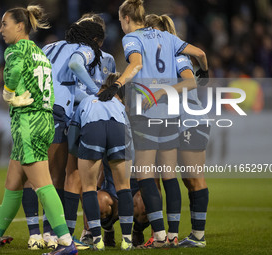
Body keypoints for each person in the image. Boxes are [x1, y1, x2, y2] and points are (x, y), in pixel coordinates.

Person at [0, 5, 77, 255]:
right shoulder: (39, 52)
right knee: (13, 184)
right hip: (44, 120)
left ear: (20, 26)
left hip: (28, 123)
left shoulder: (15, 50)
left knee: (44, 186)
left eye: (5, 24)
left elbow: (12, 78)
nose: (1, 28)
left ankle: (67, 243)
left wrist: (8, 94)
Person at [98, 0, 208, 248]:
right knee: (170, 176)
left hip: (146, 112)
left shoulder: (132, 38)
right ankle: (174, 235)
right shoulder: (168, 39)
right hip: (170, 115)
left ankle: (159, 236)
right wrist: (206, 71)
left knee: (146, 175)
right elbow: (200, 54)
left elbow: (136, 65)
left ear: (126, 18)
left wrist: (117, 85)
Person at [19, 17, 104, 249]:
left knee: (31, 172)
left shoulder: (49, 46)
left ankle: (34, 234)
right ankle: (49, 233)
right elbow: (75, 67)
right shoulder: (84, 49)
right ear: (94, 40)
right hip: (54, 111)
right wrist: (98, 92)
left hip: (31, 107)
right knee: (53, 175)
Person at [145, 14, 210, 248]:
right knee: (183, 180)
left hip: (190, 119)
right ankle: (184, 235)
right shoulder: (158, 57)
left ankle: (198, 237)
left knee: (194, 179)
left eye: (148, 30)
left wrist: (163, 92)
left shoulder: (176, 53)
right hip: (177, 121)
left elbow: (190, 81)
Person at [68, 73, 133, 250]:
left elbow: (72, 139)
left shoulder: (86, 100)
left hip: (92, 128)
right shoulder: (119, 104)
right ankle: (127, 240)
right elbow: (129, 140)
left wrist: (83, 155)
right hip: (117, 128)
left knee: (88, 188)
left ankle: (97, 239)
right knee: (124, 186)